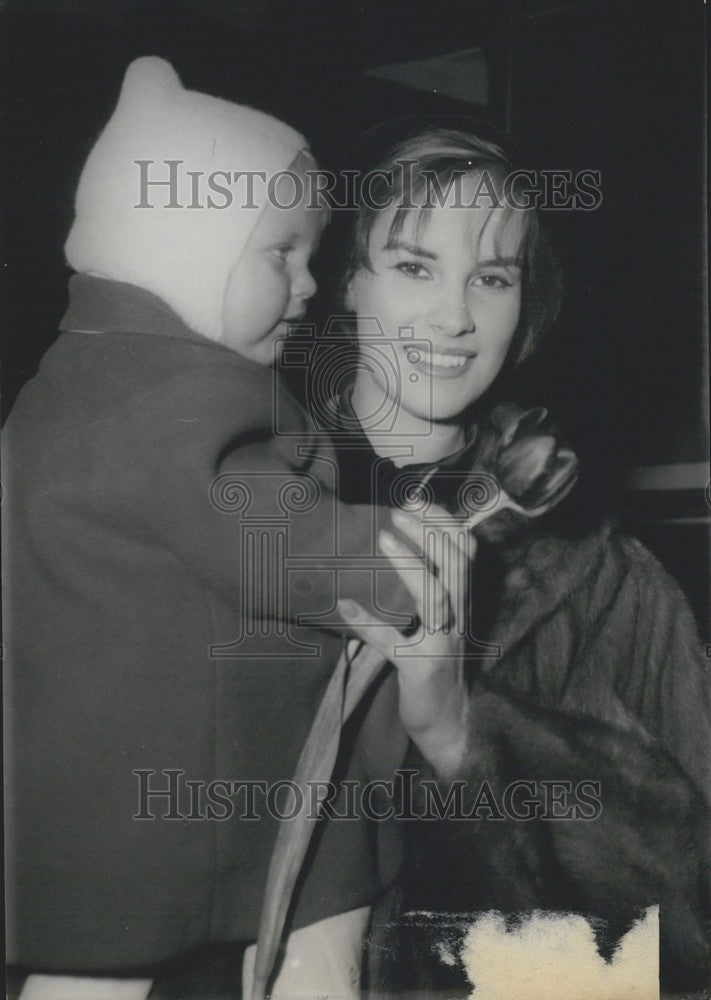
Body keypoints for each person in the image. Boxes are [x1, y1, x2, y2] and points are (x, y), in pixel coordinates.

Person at [3, 58, 443, 1000]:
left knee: (84, 973)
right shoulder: (177, 399)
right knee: (323, 938)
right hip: (230, 788)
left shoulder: (66, 387)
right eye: (279, 254)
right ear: (183, 249)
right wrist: (396, 560)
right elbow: (268, 536)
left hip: (96, 801)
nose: (308, 285)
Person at [317, 124, 711, 993]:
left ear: (523, 308)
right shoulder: (230, 508)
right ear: (346, 278)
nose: (454, 317)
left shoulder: (604, 583)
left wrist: (464, 737)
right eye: (414, 266)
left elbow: (686, 925)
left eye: (491, 279)